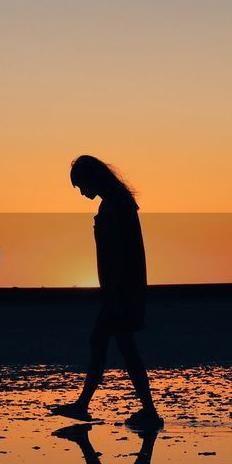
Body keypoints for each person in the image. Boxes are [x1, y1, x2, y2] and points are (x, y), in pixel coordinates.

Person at [52, 155, 162, 429]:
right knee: (111, 346)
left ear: (93, 178)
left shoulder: (116, 206)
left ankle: (93, 406)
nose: (81, 192)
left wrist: (114, 295)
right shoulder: (116, 204)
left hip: (120, 291)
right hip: (120, 290)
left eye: (80, 185)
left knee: (112, 346)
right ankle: (90, 405)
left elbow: (119, 255)